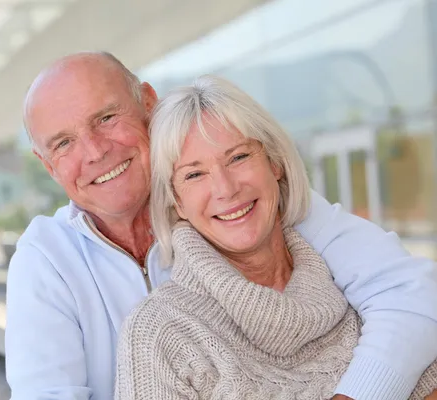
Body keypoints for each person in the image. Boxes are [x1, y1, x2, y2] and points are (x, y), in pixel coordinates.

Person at [5, 51, 437, 400]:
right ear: (47, 166)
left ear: (148, 103)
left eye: (105, 118)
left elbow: (409, 295)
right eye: (64, 143)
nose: (96, 151)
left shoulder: (256, 206)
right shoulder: (46, 260)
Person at [114, 74, 437, 399]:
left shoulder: (351, 276)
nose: (226, 189)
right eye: (195, 175)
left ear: (275, 164)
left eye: (238, 157)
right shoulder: (159, 332)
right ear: (176, 201)